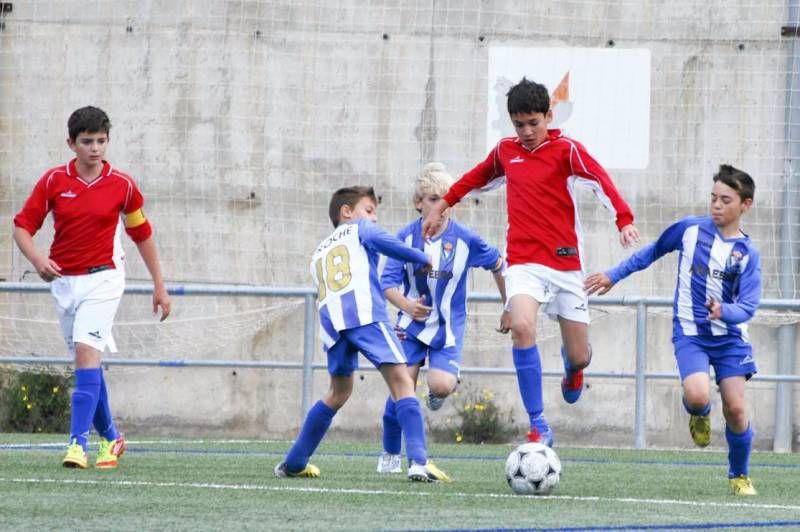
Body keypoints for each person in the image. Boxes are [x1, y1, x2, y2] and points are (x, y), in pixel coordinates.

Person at [422, 78, 639, 446]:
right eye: (519, 124)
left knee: (579, 355)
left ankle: (574, 367)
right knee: (523, 327)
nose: (526, 132)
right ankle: (539, 424)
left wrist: (624, 218)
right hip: (523, 261)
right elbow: (474, 178)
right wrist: (442, 205)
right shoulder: (506, 152)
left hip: (566, 264)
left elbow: (600, 178)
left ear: (549, 116)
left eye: (533, 123)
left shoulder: (567, 150)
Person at [585, 164, 760, 496]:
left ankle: (739, 475)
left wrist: (725, 311)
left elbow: (749, 305)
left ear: (745, 205)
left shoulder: (747, 253)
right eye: (713, 198)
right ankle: (699, 412)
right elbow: (651, 253)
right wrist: (613, 275)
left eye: (726, 199)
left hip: (731, 340)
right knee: (698, 395)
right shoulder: (690, 230)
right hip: (690, 333)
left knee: (736, 408)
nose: (717, 205)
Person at [13, 106, 171, 469]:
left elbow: (142, 234)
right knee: (89, 363)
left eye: (101, 141)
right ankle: (113, 438)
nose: (95, 148)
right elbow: (22, 226)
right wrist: (38, 261)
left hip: (105, 278)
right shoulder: (54, 181)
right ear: (71, 143)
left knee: (86, 353)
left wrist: (159, 286)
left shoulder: (123, 185)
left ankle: (76, 444)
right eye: (87, 141)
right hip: (65, 283)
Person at [274, 186, 451, 482]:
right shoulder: (358, 228)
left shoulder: (318, 251)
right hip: (364, 315)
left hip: (332, 326)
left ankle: (293, 462)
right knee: (402, 382)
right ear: (347, 212)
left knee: (338, 393)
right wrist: (420, 256)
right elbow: (379, 240)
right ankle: (419, 462)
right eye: (369, 210)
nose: (373, 218)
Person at [376, 163, 507, 474]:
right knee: (401, 388)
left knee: (442, 385)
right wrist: (407, 305)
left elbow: (499, 264)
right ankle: (391, 453)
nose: (442, 206)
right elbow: (386, 285)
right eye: (434, 198)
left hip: (447, 329)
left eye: (448, 198)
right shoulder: (405, 239)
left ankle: (436, 393)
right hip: (410, 325)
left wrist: (508, 305)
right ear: (418, 203)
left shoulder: (466, 240)